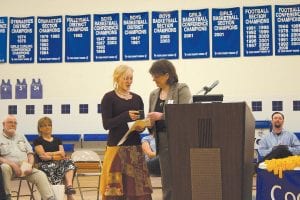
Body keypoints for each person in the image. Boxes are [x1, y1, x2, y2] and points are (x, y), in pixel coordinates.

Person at [100, 65, 152, 200]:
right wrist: (125, 116)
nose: (129, 81)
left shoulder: (137, 98)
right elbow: (106, 124)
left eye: (131, 78)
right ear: (117, 78)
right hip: (116, 148)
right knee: (115, 191)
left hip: (135, 148)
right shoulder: (108, 98)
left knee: (139, 189)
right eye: (126, 78)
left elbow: (141, 122)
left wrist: (142, 126)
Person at [147, 59, 192, 200]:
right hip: (162, 140)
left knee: (182, 177)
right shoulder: (153, 94)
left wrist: (161, 116)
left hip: (180, 140)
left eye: (156, 75)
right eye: (152, 76)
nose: (153, 79)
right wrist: (147, 123)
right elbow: (151, 117)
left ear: (166, 75)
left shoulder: (181, 89)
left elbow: (186, 113)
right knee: (167, 180)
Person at [0, 115, 55, 200]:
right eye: (10, 122)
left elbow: (30, 153)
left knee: (40, 174)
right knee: (4, 167)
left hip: (24, 167)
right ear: (3, 124)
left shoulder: (21, 136)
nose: (13, 125)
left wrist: (29, 165)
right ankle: (7, 197)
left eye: (15, 123)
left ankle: (49, 198)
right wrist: (13, 165)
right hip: (9, 169)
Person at [33, 116, 76, 200]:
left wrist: (50, 155)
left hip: (58, 163)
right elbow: (43, 156)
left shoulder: (57, 140)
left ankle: (69, 187)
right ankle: (57, 196)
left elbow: (63, 154)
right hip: (44, 165)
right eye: (44, 125)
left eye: (49, 125)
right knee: (57, 168)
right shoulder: (37, 141)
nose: (48, 127)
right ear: (40, 128)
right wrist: (57, 154)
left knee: (69, 162)